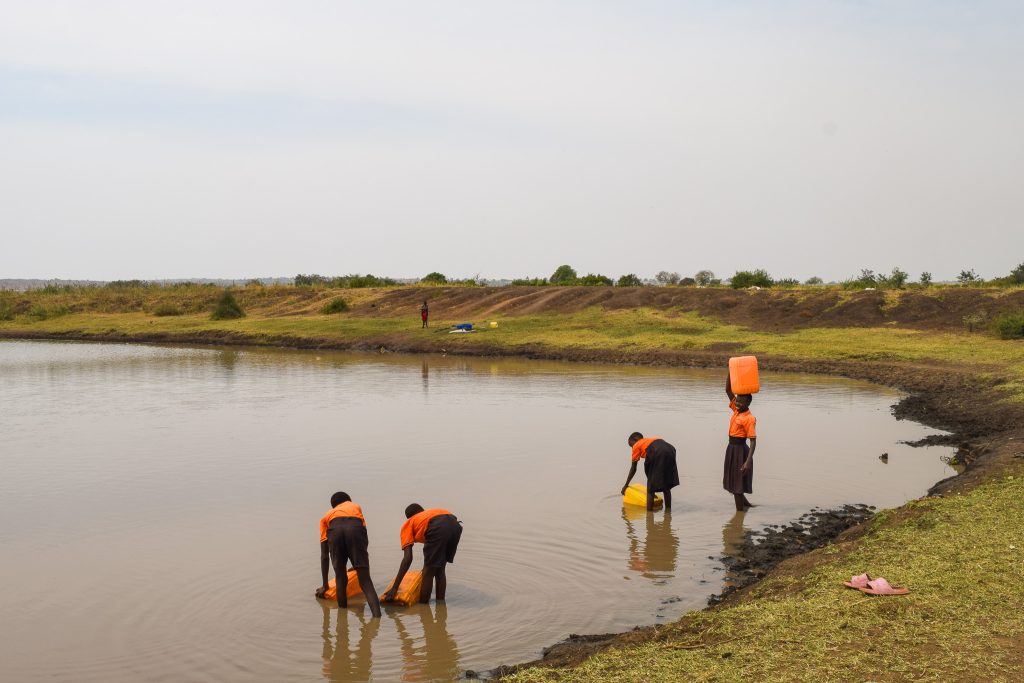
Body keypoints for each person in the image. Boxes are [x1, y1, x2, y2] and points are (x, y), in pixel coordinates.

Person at [315, 491, 382, 617]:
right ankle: (377, 618)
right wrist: (359, 564)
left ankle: (342, 616)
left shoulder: (326, 517)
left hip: (334, 531)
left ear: (333, 507)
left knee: (340, 577)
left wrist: (325, 585)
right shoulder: (355, 507)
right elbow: (364, 538)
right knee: (365, 580)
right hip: (355, 528)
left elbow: (324, 555)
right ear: (348, 501)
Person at [383, 504, 462, 604]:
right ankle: (441, 604)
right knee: (440, 569)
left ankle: (424, 607)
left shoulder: (409, 523)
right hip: (454, 525)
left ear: (409, 517)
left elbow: (408, 558)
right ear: (422, 511)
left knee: (428, 572)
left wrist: (395, 587)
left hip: (437, 526)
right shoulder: (428, 515)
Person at [724, 374, 757, 510]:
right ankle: (748, 507)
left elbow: (753, 441)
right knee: (733, 484)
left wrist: (748, 461)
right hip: (731, 448)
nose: (737, 404)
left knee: (737, 487)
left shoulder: (749, 418)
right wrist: (731, 371)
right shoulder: (737, 411)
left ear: (748, 403)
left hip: (740, 451)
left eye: (740, 402)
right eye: (736, 401)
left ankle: (739, 517)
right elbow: (727, 390)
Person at [621, 433, 679, 511]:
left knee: (650, 488)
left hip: (656, 451)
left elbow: (633, 468)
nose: (632, 448)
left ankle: (649, 515)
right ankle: (668, 512)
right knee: (666, 485)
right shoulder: (650, 440)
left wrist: (626, 485)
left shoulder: (637, 445)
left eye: (631, 445)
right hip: (670, 449)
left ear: (635, 440)